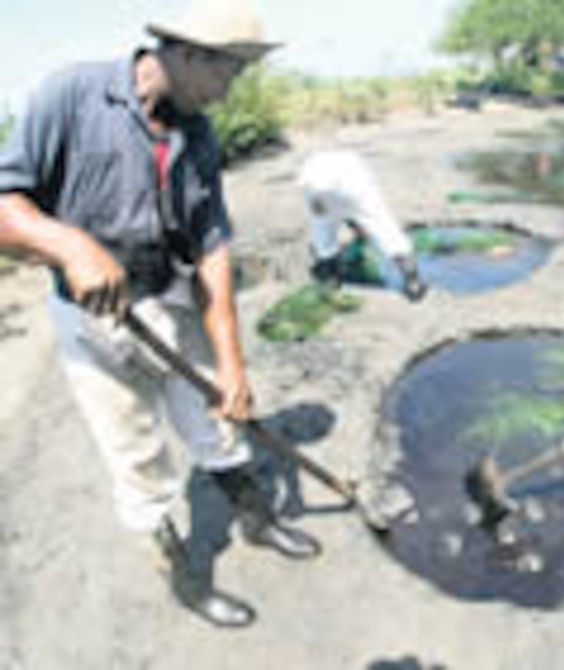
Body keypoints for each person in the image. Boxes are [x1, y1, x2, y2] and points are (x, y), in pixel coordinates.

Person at [0, 0, 321, 628]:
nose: (229, 92)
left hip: (168, 298)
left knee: (217, 419)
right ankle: (184, 577)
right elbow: (5, 203)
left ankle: (256, 519)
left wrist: (232, 364)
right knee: (137, 455)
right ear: (186, 53)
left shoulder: (197, 134)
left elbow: (212, 250)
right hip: (90, 319)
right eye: (227, 72)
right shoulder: (73, 95)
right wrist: (70, 245)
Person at [298, 150, 428, 301]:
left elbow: (334, 215)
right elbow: (355, 213)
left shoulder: (315, 169)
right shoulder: (354, 168)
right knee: (384, 229)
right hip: (349, 186)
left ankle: (330, 277)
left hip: (317, 188)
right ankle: (413, 282)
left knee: (324, 231)